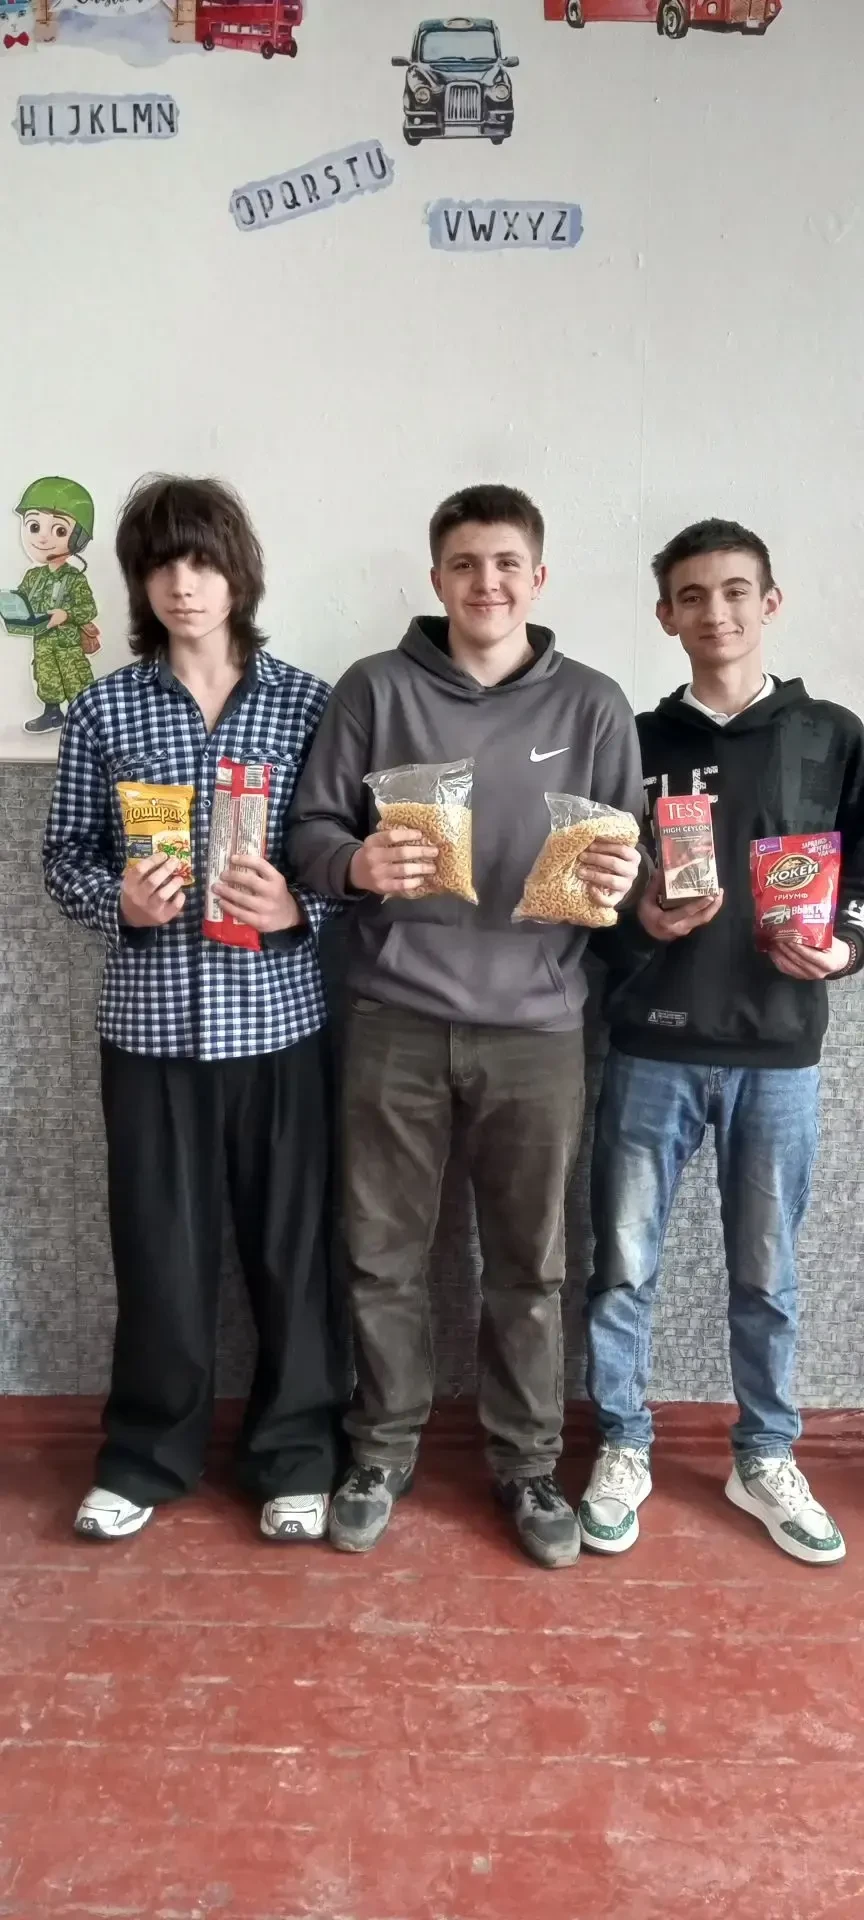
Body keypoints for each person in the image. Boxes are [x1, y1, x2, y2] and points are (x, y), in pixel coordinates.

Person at [287, 483, 643, 1568]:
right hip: (393, 1015)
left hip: (540, 1028)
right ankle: (380, 1449)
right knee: (380, 1254)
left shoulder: (594, 704)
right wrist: (354, 862)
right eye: (465, 565)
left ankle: (527, 1465)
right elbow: (308, 831)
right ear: (436, 577)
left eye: (506, 564)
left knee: (531, 1266)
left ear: (539, 577)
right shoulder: (376, 688)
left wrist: (622, 878)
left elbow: (627, 858)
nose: (487, 583)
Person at [43, 474, 345, 1542]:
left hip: (280, 1025)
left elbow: (346, 860)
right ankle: (145, 1458)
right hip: (150, 1029)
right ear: (139, 581)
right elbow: (63, 858)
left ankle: (297, 1456)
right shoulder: (105, 709)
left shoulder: (308, 704)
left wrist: (299, 907)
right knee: (158, 1255)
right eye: (162, 563)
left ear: (239, 573)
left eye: (203, 560)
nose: (184, 583)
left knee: (293, 1250)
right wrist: (118, 901)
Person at [580, 518, 864, 1566]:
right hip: (650, 1047)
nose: (717, 612)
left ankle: (766, 1455)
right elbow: (590, 897)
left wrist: (846, 948)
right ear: (666, 615)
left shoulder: (833, 735)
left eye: (737, 591)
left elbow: (863, 877)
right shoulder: (633, 743)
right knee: (621, 1270)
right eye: (693, 595)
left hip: (780, 1051)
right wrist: (637, 924)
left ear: (771, 602)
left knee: (768, 1276)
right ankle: (622, 1440)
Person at [2, 476, 101, 736]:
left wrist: (65, 615)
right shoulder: (33, 576)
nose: (43, 538)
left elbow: (88, 608)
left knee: (76, 681)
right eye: (34, 526)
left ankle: (86, 721)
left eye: (59, 530)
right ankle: (53, 713)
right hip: (43, 642)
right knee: (47, 680)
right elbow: (22, 601)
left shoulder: (75, 578)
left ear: (77, 538)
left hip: (68, 646)